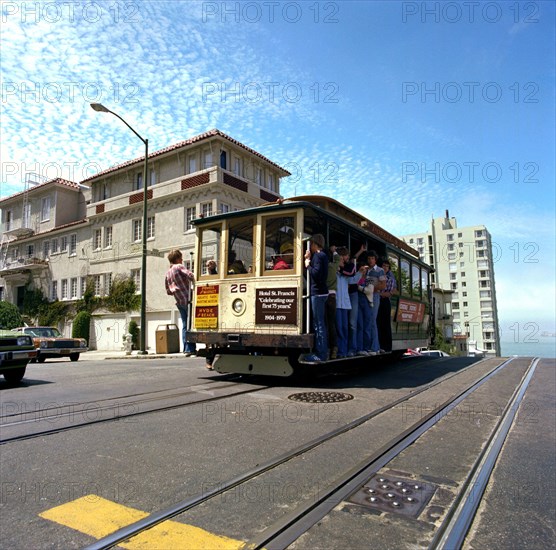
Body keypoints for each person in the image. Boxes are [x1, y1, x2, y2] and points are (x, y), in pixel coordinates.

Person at [165, 249, 196, 357]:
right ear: (177, 258)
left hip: (179, 301)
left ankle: (186, 348)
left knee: (184, 325)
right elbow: (190, 275)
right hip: (187, 299)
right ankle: (191, 348)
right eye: (181, 258)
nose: (182, 260)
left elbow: (168, 290)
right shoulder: (179, 267)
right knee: (190, 324)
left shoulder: (168, 272)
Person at [304, 234, 329, 362]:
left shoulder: (319, 256)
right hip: (322, 293)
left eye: (311, 244)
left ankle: (320, 354)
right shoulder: (323, 256)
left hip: (318, 293)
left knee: (318, 324)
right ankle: (322, 352)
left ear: (315, 243)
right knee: (320, 324)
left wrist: (307, 264)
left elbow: (316, 274)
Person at [364, 250, 387, 354]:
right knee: (368, 321)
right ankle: (370, 346)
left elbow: (383, 285)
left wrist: (372, 288)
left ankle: (375, 348)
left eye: (372, 258)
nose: (370, 260)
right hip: (365, 296)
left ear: (375, 259)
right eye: (369, 258)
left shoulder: (380, 270)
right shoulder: (366, 270)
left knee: (373, 321)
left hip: (375, 296)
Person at [335, 246, 353, 358]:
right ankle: (340, 351)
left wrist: (360, 273)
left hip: (345, 304)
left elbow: (353, 280)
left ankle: (344, 350)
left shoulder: (345, 272)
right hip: (337, 303)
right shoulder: (334, 271)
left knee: (345, 328)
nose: (343, 261)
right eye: (341, 259)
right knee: (339, 328)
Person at [378, 259, 398, 352]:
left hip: (385, 301)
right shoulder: (377, 275)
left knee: (386, 323)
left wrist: (381, 294)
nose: (385, 268)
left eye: (387, 266)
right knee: (378, 323)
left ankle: (387, 346)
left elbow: (391, 292)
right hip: (377, 300)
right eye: (383, 266)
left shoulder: (390, 278)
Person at [326, 245, 341, 358]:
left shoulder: (320, 267)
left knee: (322, 323)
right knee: (331, 323)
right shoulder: (332, 266)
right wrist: (334, 251)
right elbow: (337, 259)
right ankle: (334, 348)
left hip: (322, 296)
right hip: (332, 296)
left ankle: (325, 348)